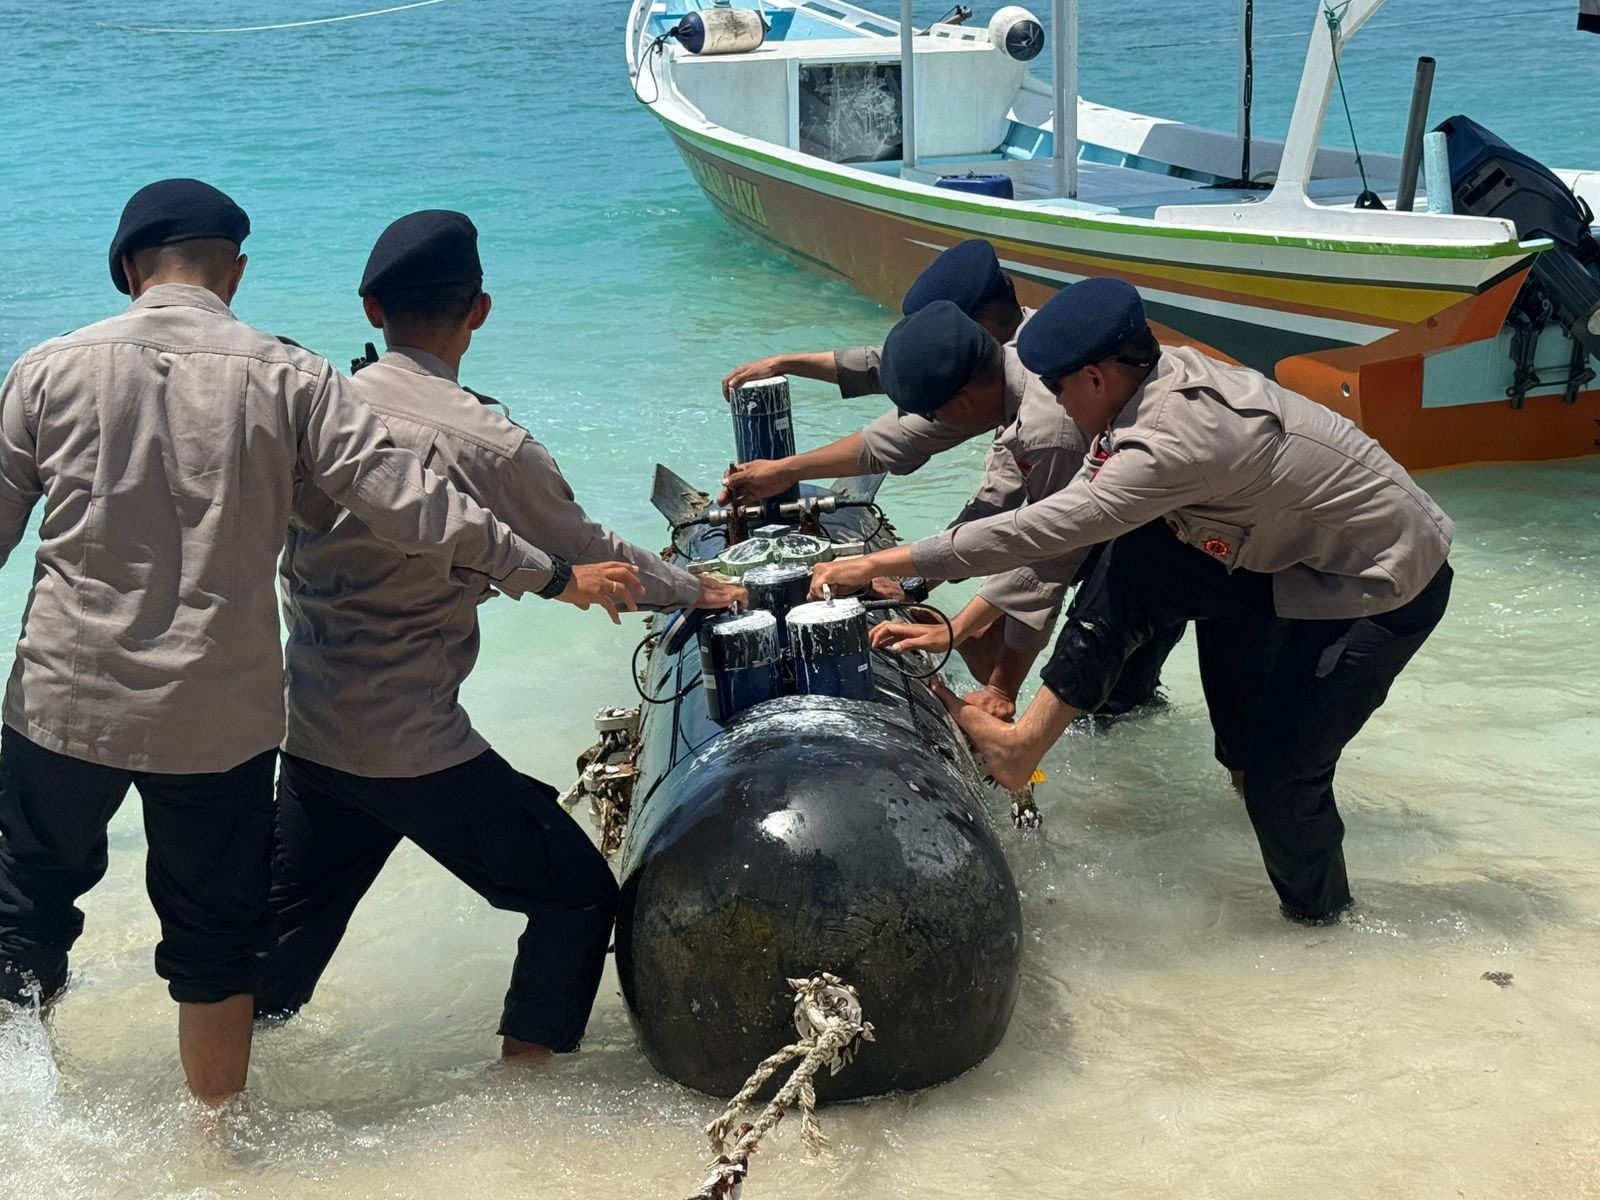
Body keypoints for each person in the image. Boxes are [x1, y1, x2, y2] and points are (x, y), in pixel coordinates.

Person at [0, 180, 640, 1106]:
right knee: (218, 948)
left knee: (22, 919)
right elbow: (412, 504)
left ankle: (22, 1126)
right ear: (236, 273)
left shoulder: (47, 368)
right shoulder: (293, 379)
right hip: (215, 721)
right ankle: (215, 1146)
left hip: (62, 703)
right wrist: (546, 575)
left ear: (129, 270)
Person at [255, 210, 743, 1061]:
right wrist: (697, 589)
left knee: (270, 965)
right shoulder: (490, 446)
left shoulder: (318, 412)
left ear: (372, 309)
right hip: (413, 746)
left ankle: (209, 1108)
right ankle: (519, 1111)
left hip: (311, 732)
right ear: (478, 310)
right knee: (575, 895)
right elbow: (589, 553)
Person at [812, 277, 1454, 924]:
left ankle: (1324, 928)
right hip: (1279, 555)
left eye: (1057, 387)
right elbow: (1062, 544)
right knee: (1141, 561)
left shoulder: (1169, 443)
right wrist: (961, 627)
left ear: (1094, 377)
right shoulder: (1144, 390)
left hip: (1379, 585)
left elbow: (1043, 531)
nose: (1053, 401)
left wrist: (877, 563)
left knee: (1282, 781)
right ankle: (1027, 743)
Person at [723, 277, 1182, 724]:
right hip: (1104, 510)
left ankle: (1122, 717)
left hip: (1164, 531)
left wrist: (998, 688)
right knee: (1034, 635)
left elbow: (1047, 555)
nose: (926, 424)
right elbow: (991, 504)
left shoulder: (1048, 429)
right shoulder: (1003, 366)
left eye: (932, 415)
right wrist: (916, 583)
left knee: (1115, 693)